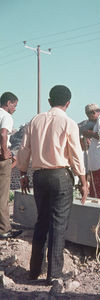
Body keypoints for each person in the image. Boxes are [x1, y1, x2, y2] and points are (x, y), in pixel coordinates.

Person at [17, 85, 88, 284]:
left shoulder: (35, 120)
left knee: (42, 221)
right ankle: (54, 274)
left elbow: (24, 149)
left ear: (49, 101)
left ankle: (34, 271)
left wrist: (23, 174)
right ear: (68, 103)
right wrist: (83, 181)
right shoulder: (69, 123)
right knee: (58, 224)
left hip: (39, 176)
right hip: (60, 175)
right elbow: (76, 155)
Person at [0, 92, 22, 239]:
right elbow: (3, 134)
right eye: (14, 106)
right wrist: (5, 151)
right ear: (8, 103)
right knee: (3, 196)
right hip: (1, 159)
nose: (14, 109)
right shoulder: (6, 116)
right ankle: (4, 229)